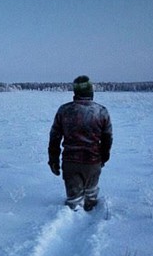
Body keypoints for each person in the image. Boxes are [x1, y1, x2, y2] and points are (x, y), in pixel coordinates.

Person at [48, 75, 113, 211]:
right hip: (93, 162)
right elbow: (107, 138)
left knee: (74, 202)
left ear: (75, 92)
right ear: (90, 91)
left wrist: (53, 160)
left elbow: (55, 138)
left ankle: (71, 221)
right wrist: (104, 157)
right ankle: (92, 219)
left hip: (71, 163)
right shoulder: (101, 111)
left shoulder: (64, 110)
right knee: (91, 197)